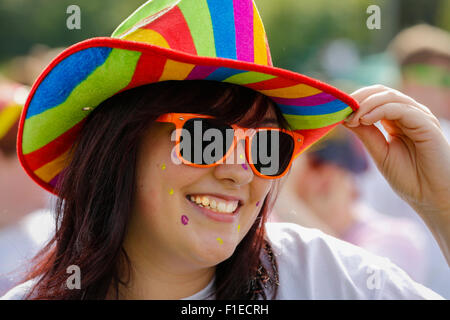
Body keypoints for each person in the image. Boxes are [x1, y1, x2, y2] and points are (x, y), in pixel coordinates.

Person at [1, 0, 449, 299]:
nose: (240, 171)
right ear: (121, 146)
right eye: (205, 138)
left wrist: (441, 203)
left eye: (267, 147)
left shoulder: (327, 278)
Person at [274, 127, 428, 283]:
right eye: (315, 164)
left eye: (340, 167)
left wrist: (282, 198)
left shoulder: (395, 237)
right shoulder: (275, 228)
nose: (328, 176)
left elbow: (356, 288)